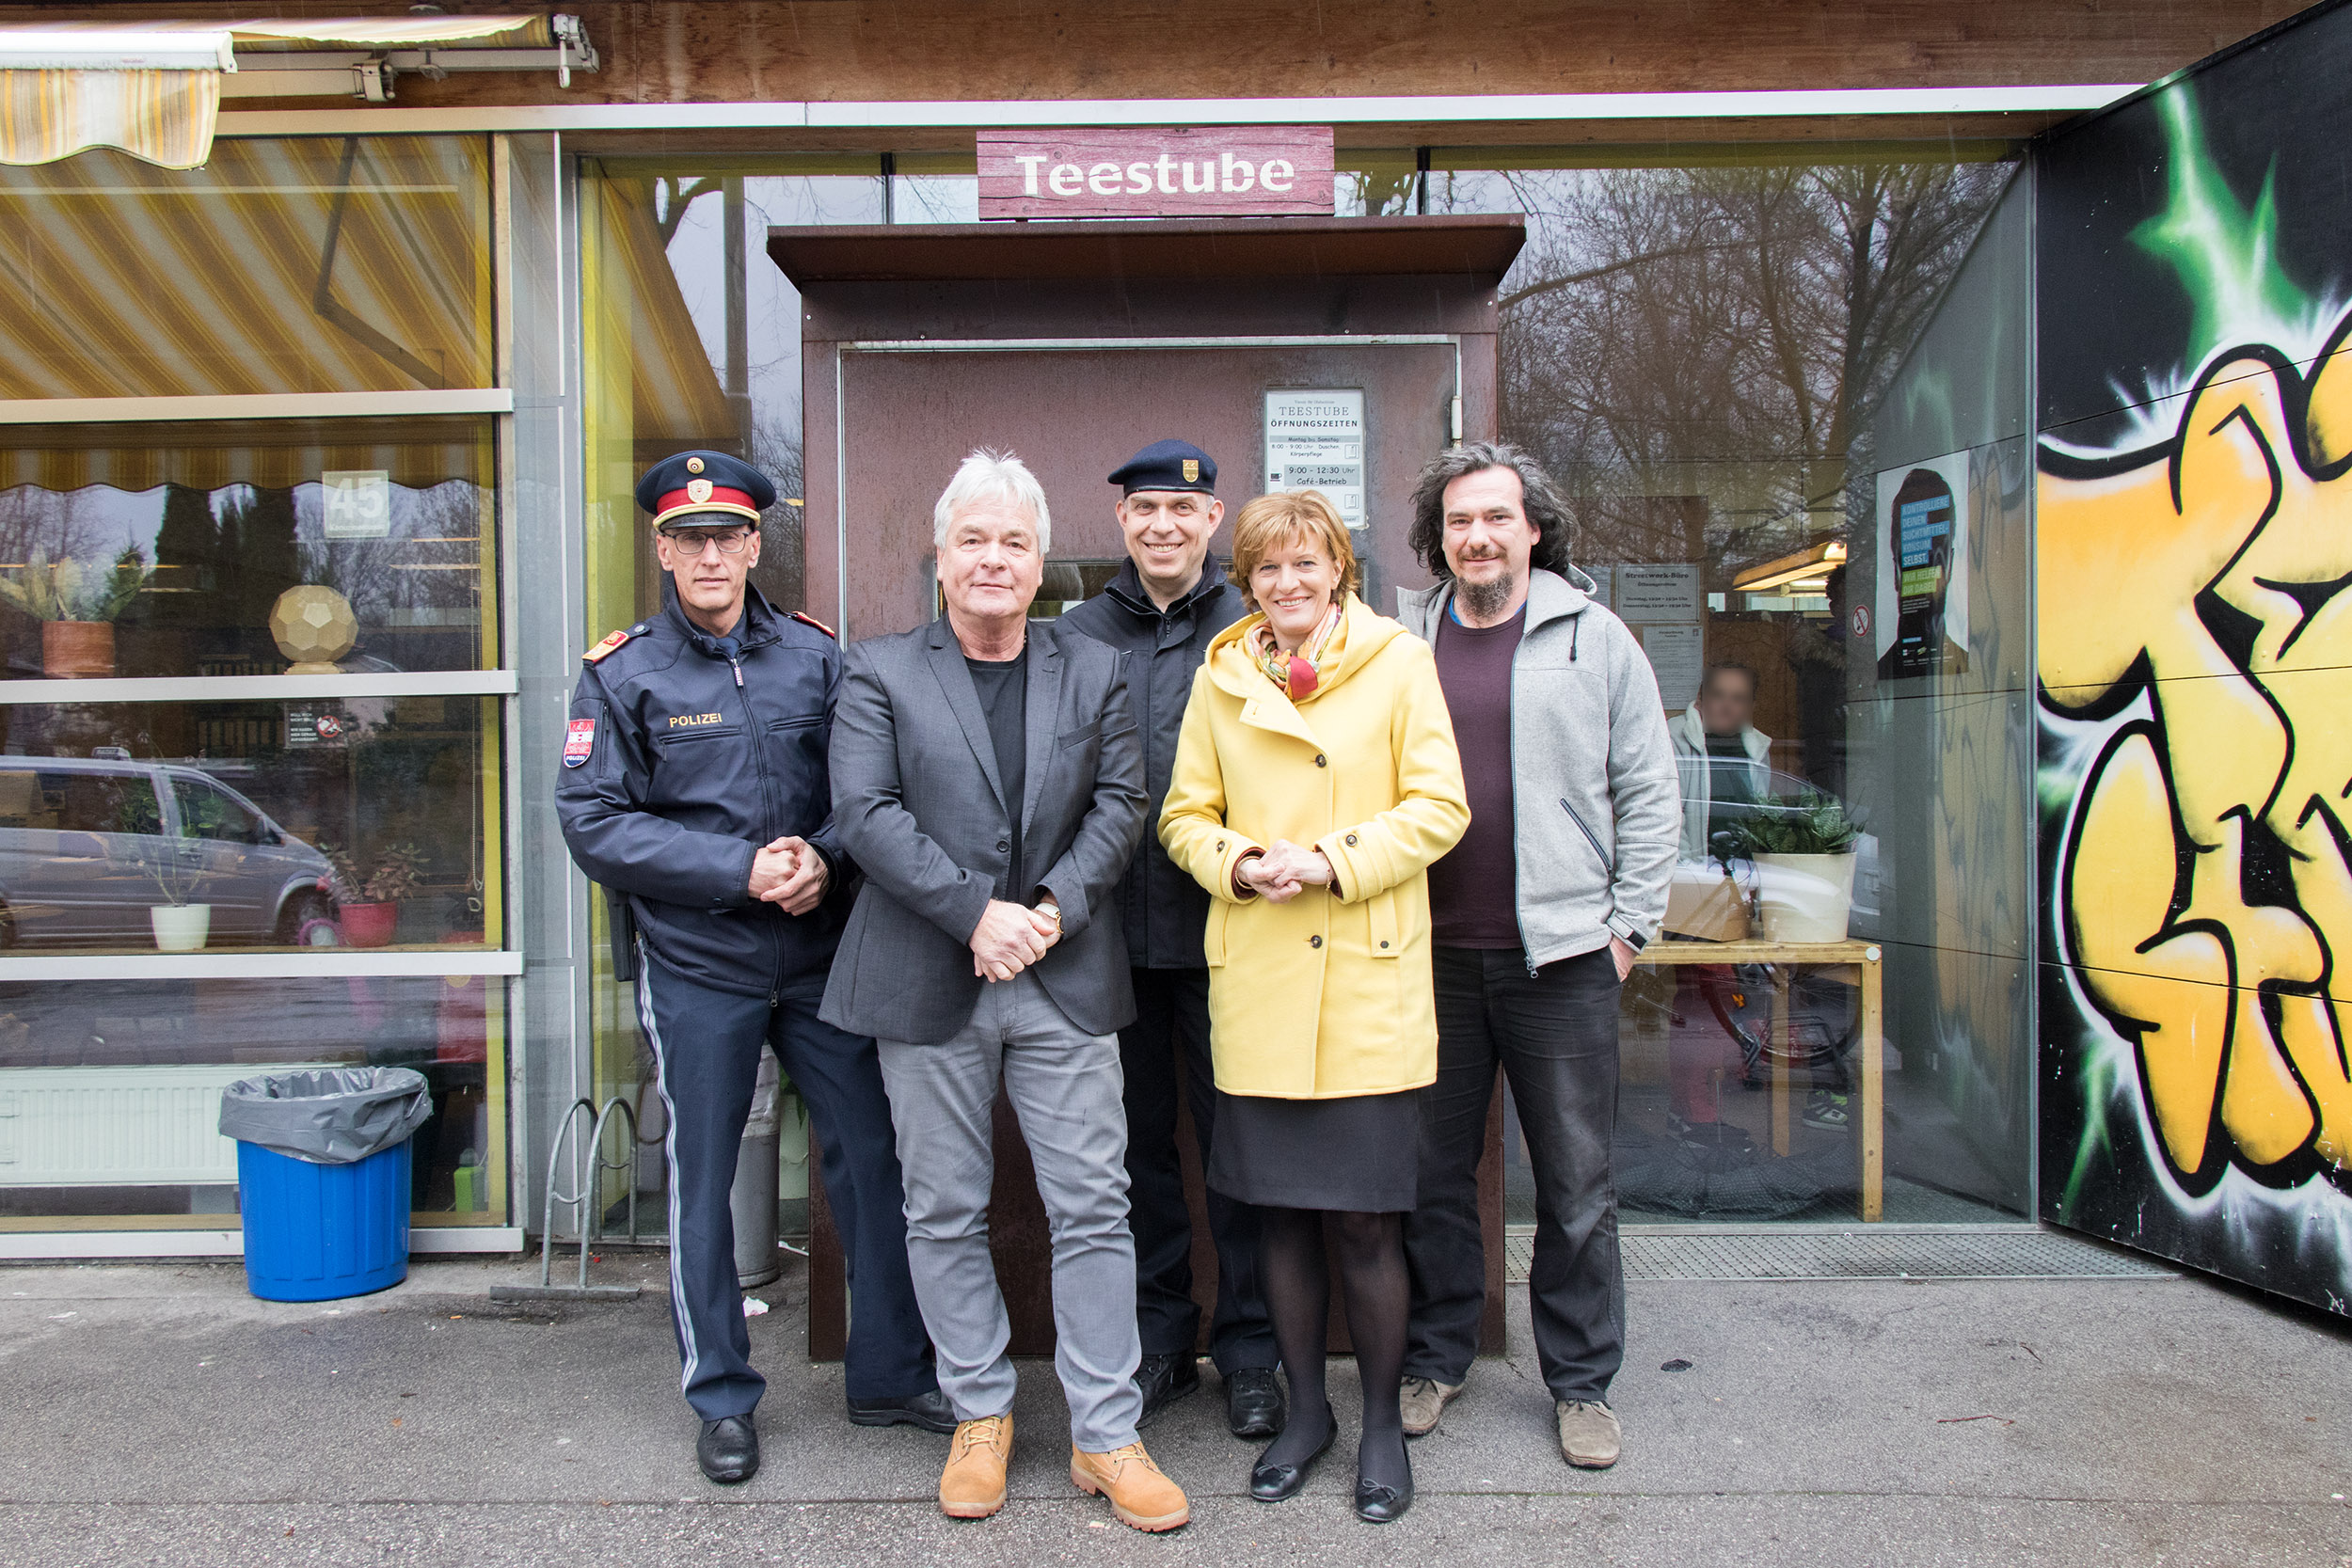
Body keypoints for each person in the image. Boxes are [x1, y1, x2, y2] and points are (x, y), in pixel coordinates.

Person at [556, 450, 948, 1488]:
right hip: (700, 965)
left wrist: (821, 851)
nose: (710, 553)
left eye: (726, 535)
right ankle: (722, 1395)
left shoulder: (818, 659)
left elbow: (874, 781)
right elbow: (592, 820)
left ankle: (888, 1373)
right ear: (662, 548)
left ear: (754, 544)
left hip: (823, 957)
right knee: (701, 1179)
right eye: (689, 538)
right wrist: (740, 867)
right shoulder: (621, 670)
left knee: (873, 1157)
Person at [821, 449, 1190, 1533]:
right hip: (926, 971)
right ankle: (980, 1411)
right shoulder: (878, 669)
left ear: (1041, 565)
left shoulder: (1091, 666)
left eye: (1014, 541)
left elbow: (1124, 801)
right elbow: (865, 810)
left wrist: (1048, 911)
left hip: (1062, 973)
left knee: (1093, 1205)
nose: (994, 557)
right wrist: (973, 913)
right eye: (973, 539)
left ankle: (1105, 1432)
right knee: (941, 1207)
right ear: (942, 559)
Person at [1160, 489, 1469, 1525]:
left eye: (1306, 564)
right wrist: (1239, 862)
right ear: (1245, 581)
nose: (1287, 584)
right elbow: (1181, 817)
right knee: (1279, 1218)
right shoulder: (1220, 678)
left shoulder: (1398, 660)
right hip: (1259, 976)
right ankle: (1306, 1416)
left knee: (1369, 1223)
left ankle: (1378, 1421)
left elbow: (1439, 806)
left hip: (1364, 980)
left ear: (1338, 566)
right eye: (1266, 570)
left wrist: (1329, 860)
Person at [1395, 440, 1680, 1471]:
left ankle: (1581, 1382)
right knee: (1431, 1172)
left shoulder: (1594, 638)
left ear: (1534, 529)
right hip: (1430, 956)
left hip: (1562, 958)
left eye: (1496, 518)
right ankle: (1435, 1354)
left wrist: (1627, 929)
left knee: (1574, 1182)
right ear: (1439, 536)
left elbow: (1649, 789)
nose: (1477, 536)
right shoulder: (1402, 638)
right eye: (1458, 521)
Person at [1057, 438, 1280, 1439]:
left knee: (1241, 1155)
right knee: (1135, 1153)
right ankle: (1158, 1341)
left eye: (1181, 512)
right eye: (1144, 508)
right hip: (1110, 942)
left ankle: (1250, 1350)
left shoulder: (1256, 623)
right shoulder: (1071, 633)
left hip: (1234, 935)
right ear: (1119, 521)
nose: (1162, 525)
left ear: (1212, 519)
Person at [1670, 661, 1772, 861]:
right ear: (1700, 698)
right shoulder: (1673, 738)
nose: (1727, 707)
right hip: (1695, 872)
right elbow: (1669, 816)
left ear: (1751, 706)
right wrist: (1689, 872)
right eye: (1718, 695)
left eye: (1738, 699)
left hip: (1743, 869)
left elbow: (1761, 817)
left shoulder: (1758, 748)